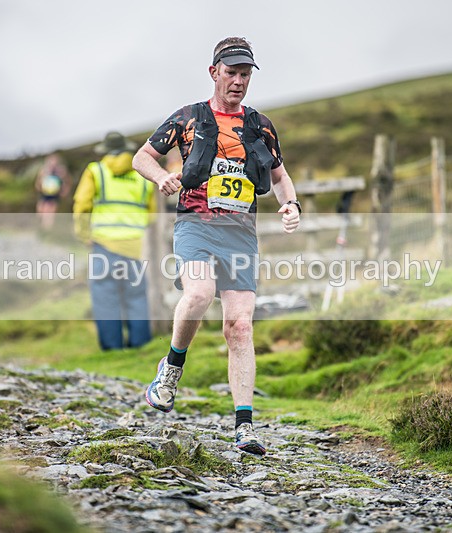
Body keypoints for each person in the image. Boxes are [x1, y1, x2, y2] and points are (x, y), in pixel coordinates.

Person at [132, 37, 301, 455]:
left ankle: (244, 427)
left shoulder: (260, 125)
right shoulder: (188, 117)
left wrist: (291, 205)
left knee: (239, 326)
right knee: (200, 294)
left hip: (241, 233)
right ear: (214, 73)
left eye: (245, 75)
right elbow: (141, 157)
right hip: (196, 225)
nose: (239, 81)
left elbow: (280, 177)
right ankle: (170, 369)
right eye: (232, 73)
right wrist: (161, 178)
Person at [74, 131, 156, 351]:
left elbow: (82, 205)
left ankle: (112, 349)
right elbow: (153, 213)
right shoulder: (143, 175)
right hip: (135, 246)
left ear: (106, 150)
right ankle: (140, 346)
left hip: (104, 245)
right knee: (137, 297)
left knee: (105, 299)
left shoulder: (96, 171)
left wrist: (84, 235)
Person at [35, 153, 72, 231]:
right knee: (42, 209)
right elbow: (38, 181)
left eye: (54, 161)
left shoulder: (61, 171)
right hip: (44, 193)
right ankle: (41, 225)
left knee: (51, 211)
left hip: (55, 193)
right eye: (51, 161)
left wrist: (65, 190)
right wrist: (38, 187)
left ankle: (48, 228)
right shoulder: (44, 170)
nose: (53, 163)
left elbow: (67, 181)